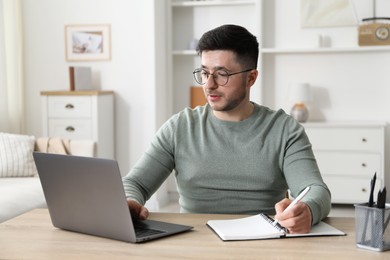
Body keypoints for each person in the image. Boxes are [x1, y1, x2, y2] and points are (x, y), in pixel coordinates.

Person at [122, 24, 331, 234]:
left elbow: (314, 190)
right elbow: (136, 183)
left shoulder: (284, 129)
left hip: (264, 243)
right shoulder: (180, 127)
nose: (209, 84)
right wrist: (130, 202)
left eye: (222, 74)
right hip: (194, 243)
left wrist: (308, 211)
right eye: (204, 73)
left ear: (251, 78)